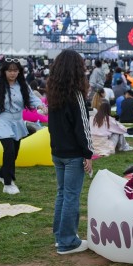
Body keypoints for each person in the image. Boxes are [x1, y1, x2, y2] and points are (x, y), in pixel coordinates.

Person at [47, 49, 94, 255]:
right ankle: (67, 242)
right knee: (71, 196)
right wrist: (88, 153)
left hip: (57, 151)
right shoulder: (76, 95)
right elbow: (83, 128)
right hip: (73, 154)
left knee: (62, 194)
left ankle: (60, 236)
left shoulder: (54, 93)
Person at [0, 59, 44, 195]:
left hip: (17, 121)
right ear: (4, 71)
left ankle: (1, 173)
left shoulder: (23, 85)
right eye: (9, 70)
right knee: (9, 150)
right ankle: (8, 182)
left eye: (15, 70)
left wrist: (41, 105)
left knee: (15, 151)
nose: (12, 73)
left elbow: (32, 98)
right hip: (2, 120)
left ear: (19, 72)